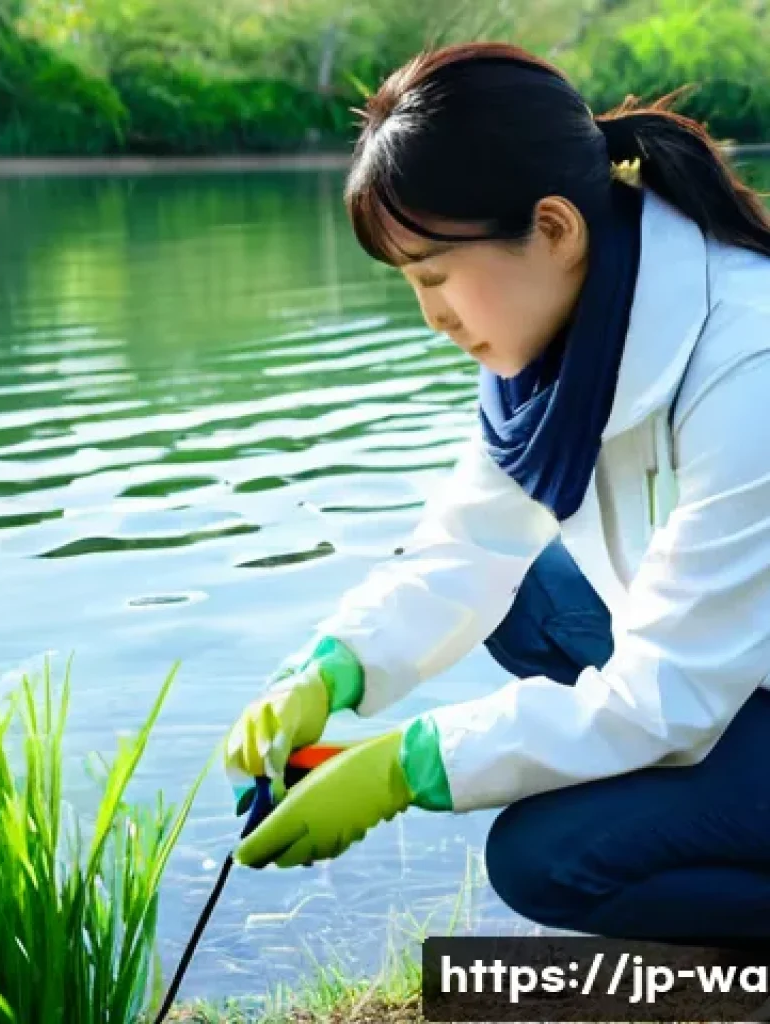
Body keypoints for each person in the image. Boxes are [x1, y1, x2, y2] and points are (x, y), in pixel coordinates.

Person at [223, 40, 770, 942]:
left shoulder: (750, 359)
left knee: (545, 857)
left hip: (711, 675)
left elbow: (667, 691)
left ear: (553, 228)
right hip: (733, 660)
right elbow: (470, 545)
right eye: (411, 284)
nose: (431, 316)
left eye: (436, 276)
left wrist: (414, 764)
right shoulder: (565, 342)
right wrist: (331, 667)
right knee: (525, 599)